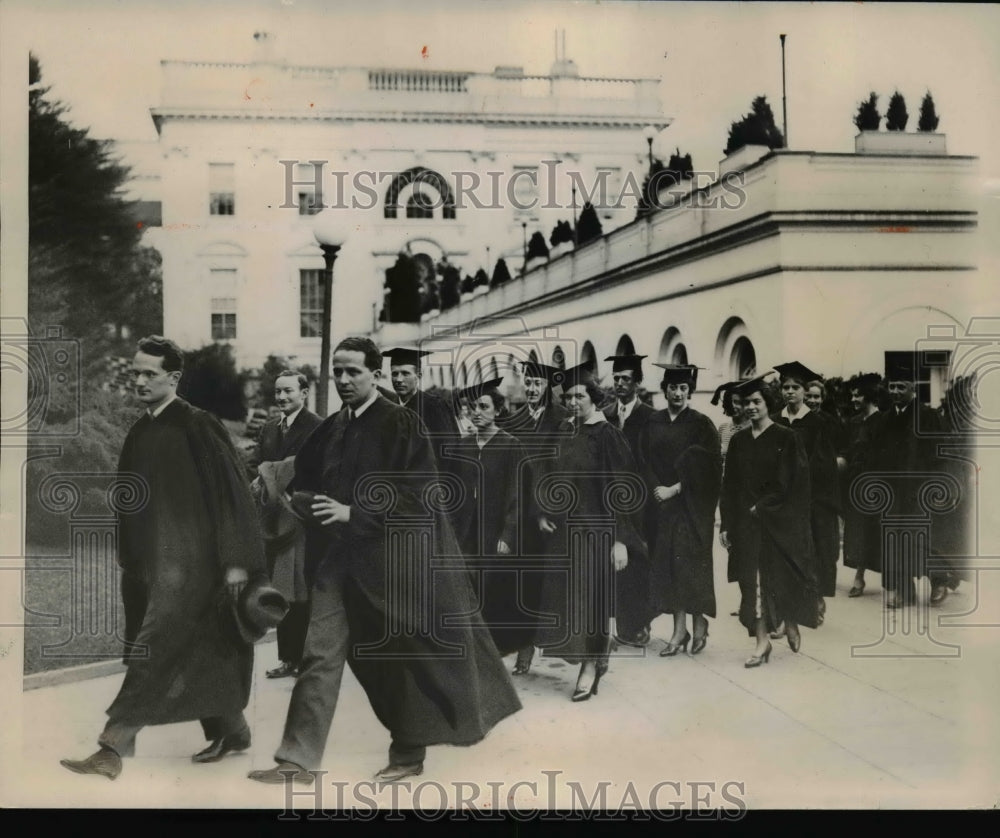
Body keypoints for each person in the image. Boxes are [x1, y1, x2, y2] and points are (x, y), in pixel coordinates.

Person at [248, 337, 521, 785]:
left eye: (353, 371)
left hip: (391, 566)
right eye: (337, 371)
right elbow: (304, 472)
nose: (343, 379)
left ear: (376, 374)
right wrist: (284, 488)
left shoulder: (401, 423)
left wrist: (354, 512)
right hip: (338, 561)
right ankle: (297, 761)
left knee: (397, 660)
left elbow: (421, 497)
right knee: (318, 653)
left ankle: (408, 752)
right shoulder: (333, 426)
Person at [61, 336, 269, 780]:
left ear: (173, 378)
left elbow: (231, 494)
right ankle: (233, 730)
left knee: (151, 648)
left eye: (148, 374)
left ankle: (111, 747)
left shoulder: (198, 424)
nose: (138, 380)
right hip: (153, 563)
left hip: (197, 562)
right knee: (198, 648)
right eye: (135, 372)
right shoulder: (141, 429)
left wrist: (236, 561)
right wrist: (131, 558)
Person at [534, 364, 647, 701]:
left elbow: (622, 491)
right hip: (565, 532)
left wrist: (621, 541)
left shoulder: (607, 435)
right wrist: (543, 511)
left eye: (579, 395)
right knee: (571, 602)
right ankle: (594, 658)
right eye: (567, 396)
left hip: (598, 531)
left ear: (593, 398)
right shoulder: (565, 431)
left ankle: (590, 667)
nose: (572, 401)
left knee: (592, 602)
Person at [720, 376, 820, 667]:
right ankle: (761, 641)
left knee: (778, 578)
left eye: (756, 402)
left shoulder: (787, 438)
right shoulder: (739, 440)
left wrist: (763, 506)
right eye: (746, 403)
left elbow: (794, 483)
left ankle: (790, 621)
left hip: (777, 522)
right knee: (751, 583)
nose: (750, 407)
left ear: (768, 404)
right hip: (746, 524)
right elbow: (729, 486)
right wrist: (727, 523)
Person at [638, 365, 721, 657]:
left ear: (690, 391)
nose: (677, 393)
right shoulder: (653, 421)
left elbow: (711, 467)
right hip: (663, 506)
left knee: (692, 565)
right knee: (671, 567)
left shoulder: (701, 424)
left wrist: (677, 488)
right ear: (665, 390)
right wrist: (657, 488)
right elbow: (643, 460)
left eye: (683, 388)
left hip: (693, 507)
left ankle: (699, 626)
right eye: (672, 387)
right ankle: (679, 629)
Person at [498, 360, 571, 675]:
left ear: (548, 388)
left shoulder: (562, 421)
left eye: (537, 384)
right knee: (523, 584)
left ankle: (563, 643)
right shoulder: (514, 421)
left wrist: (545, 510)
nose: (530, 389)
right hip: (520, 516)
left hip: (550, 517)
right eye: (527, 383)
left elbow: (561, 471)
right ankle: (524, 649)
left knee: (551, 586)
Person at [453, 378, 534, 659]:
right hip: (465, 534)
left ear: (497, 410)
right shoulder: (462, 447)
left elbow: (518, 495)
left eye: (483, 406)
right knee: (465, 591)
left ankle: (498, 652)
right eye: (471, 407)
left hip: (495, 534)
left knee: (494, 593)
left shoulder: (511, 446)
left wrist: (508, 535)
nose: (476, 412)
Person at [865, 356, 952, 608]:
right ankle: (904, 591)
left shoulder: (927, 416)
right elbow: (875, 455)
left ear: (913, 388)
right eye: (892, 387)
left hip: (920, 489)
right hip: (893, 491)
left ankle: (938, 581)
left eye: (901, 387)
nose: (895, 392)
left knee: (923, 538)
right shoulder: (882, 420)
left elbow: (940, 454)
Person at [252, 371, 322, 679]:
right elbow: (257, 464)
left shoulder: (317, 427)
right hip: (273, 521)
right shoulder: (269, 428)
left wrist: (293, 494)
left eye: (289, 391)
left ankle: (304, 657)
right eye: (278, 392)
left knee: (300, 589)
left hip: (302, 519)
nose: (281, 398)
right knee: (280, 588)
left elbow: (320, 470)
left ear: (304, 393)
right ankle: (287, 658)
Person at [772, 362, 840, 622]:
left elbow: (824, 466)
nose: (790, 392)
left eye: (795, 387)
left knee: (815, 551)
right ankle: (783, 609)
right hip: (781, 500)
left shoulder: (818, 423)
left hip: (812, 500)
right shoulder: (776, 421)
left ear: (804, 391)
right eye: (785, 387)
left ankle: (816, 599)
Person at [602, 354, 656, 649]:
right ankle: (622, 622)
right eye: (617, 378)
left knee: (638, 562)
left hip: (642, 501)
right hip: (612, 499)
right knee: (616, 563)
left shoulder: (650, 416)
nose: (620, 384)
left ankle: (638, 623)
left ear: (638, 382)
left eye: (626, 379)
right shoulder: (606, 414)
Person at [842, 373, 883, 597]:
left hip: (879, 484)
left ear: (868, 396)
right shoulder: (854, 422)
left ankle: (894, 582)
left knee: (878, 530)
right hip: (855, 483)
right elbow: (848, 451)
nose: (854, 400)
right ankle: (859, 577)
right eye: (852, 396)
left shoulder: (883, 421)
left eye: (857, 396)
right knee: (858, 530)